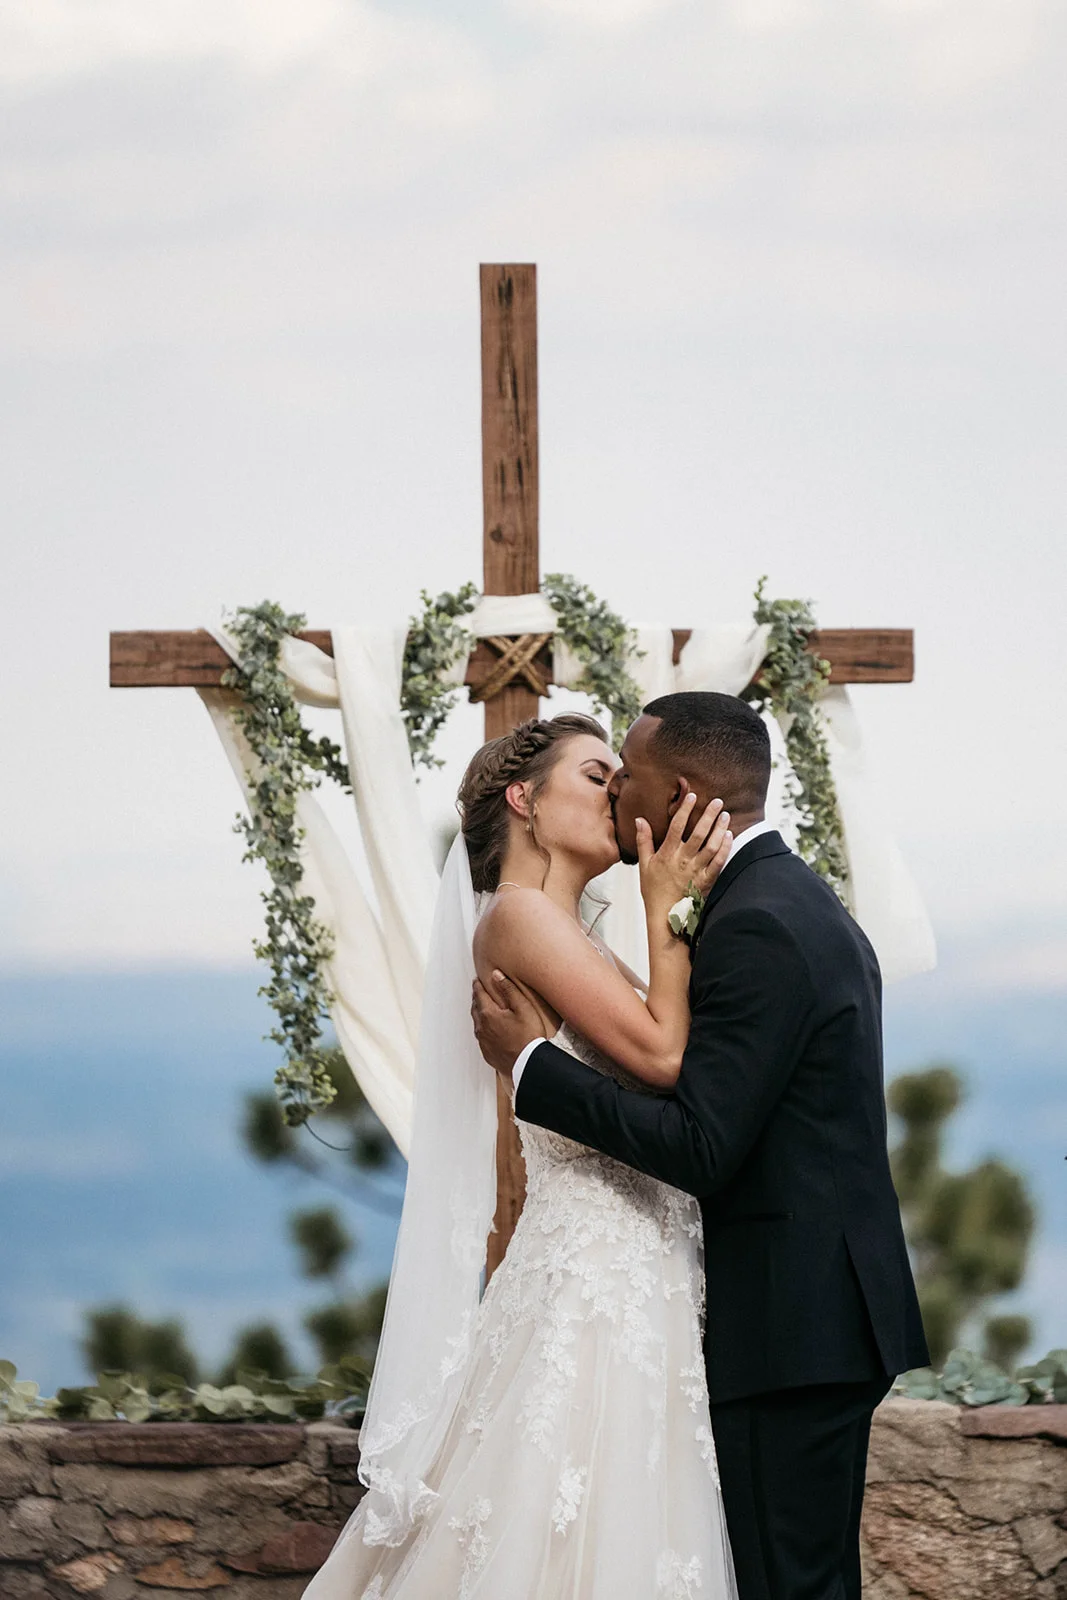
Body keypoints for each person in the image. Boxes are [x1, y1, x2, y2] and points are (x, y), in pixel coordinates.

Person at [473, 691, 929, 1600]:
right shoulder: (779, 899)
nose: (613, 798)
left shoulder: (757, 918)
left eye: (623, 778)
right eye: (595, 779)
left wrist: (529, 1067)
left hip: (791, 1325)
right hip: (792, 1317)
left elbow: (699, 1140)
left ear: (679, 794)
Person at [304, 712, 739, 1600]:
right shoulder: (520, 918)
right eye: (594, 775)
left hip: (637, 1268)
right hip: (590, 1280)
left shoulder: (572, 934)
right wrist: (667, 909)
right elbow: (663, 1058)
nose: (618, 791)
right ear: (523, 801)